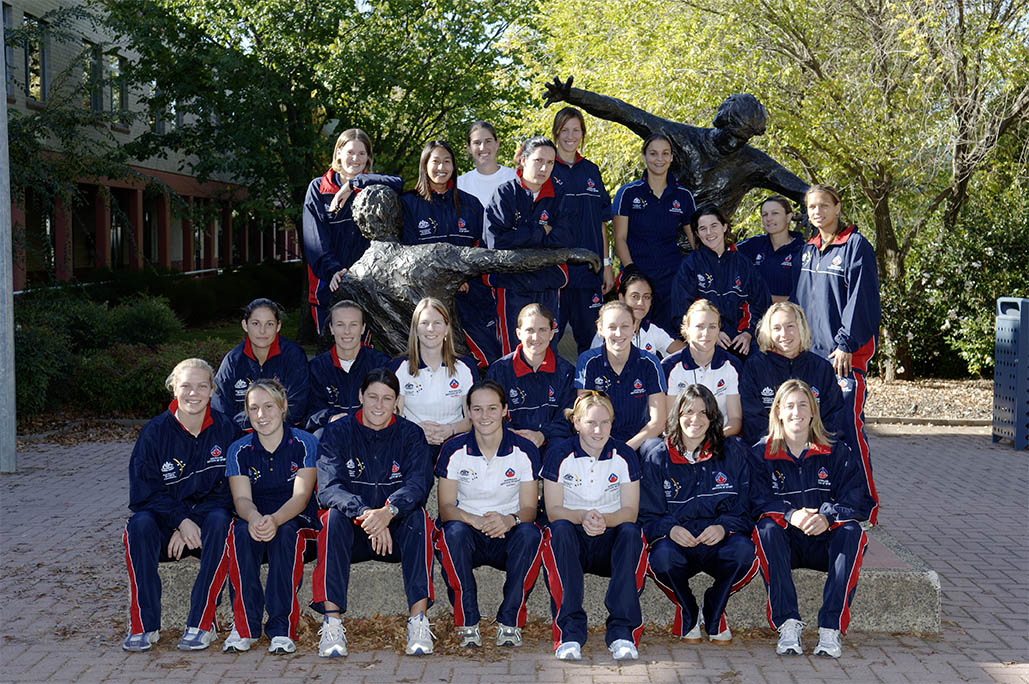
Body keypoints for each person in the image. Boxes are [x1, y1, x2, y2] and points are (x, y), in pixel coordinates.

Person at [542, 77, 810, 215]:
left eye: (743, 138)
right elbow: (623, 112)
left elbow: (804, 192)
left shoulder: (753, 163)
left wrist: (810, 211)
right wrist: (572, 95)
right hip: (666, 242)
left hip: (710, 250)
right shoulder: (684, 139)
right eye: (731, 134)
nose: (734, 143)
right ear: (720, 123)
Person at [311, 368, 435, 657]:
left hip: (395, 531)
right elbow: (329, 488)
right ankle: (332, 624)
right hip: (353, 532)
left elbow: (418, 484)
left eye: (387, 398)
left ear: (397, 402)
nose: (379, 405)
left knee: (419, 519)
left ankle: (418, 621)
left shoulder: (411, 434)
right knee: (332, 520)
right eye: (372, 397)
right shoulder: (337, 432)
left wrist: (389, 511)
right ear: (360, 396)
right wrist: (367, 513)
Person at [749, 379, 875, 658]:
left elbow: (858, 499)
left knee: (852, 531)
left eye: (803, 405)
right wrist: (791, 514)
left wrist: (827, 517)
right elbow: (755, 501)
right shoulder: (760, 453)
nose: (796, 412)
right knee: (765, 528)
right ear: (778, 411)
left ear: (813, 412)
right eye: (789, 406)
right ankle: (788, 623)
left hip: (824, 543)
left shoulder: (836, 450)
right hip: (786, 544)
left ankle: (830, 627)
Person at [122, 358, 241, 652]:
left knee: (221, 520)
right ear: (174, 389)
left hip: (205, 529)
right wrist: (179, 520)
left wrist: (192, 521)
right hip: (167, 528)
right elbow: (143, 493)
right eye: (186, 386)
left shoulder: (227, 430)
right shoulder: (154, 432)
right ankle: (144, 626)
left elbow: (231, 490)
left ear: (212, 390)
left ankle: (201, 624)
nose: (193, 393)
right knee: (139, 525)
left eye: (201, 386)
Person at [791, 184, 881, 525]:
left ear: (838, 206)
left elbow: (862, 301)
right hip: (811, 360)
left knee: (848, 431)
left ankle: (865, 505)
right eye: (812, 207)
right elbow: (801, 303)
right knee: (819, 434)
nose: (817, 212)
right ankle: (833, 501)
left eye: (823, 205)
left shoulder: (856, 246)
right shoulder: (808, 249)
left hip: (843, 359)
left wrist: (845, 343)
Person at [639, 385, 758, 642]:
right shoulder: (658, 457)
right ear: (677, 415)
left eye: (704, 412)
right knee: (660, 559)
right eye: (689, 412)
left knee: (745, 553)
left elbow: (745, 510)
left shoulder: (733, 452)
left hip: (718, 542)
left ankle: (714, 605)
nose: (696, 419)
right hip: (679, 543)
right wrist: (670, 529)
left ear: (713, 417)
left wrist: (723, 527)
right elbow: (647, 516)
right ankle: (688, 610)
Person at [434, 380, 544, 648]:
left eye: (492, 408)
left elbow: (530, 509)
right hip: (469, 531)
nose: (485, 416)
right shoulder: (453, 449)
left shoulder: (524, 450)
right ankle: (467, 622)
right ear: (468, 412)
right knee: (452, 533)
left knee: (531, 534)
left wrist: (509, 520)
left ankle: (510, 622)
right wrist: (474, 520)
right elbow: (446, 508)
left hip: (508, 531)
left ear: (505, 410)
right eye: (478, 409)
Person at [540, 393, 647, 661]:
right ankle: (569, 634)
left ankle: (622, 633)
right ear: (576, 423)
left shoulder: (624, 455)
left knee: (631, 532)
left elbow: (630, 511)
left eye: (605, 422)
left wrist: (604, 520)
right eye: (590, 423)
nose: (598, 430)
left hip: (609, 537)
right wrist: (583, 516)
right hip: (573, 536)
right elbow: (553, 510)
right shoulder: (559, 454)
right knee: (558, 530)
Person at [222, 380, 320, 654]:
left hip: (294, 520)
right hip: (255, 518)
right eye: (254, 408)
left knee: (287, 534)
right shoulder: (238, 449)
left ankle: (281, 628)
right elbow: (241, 499)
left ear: (283, 406)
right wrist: (254, 518)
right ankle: (244, 627)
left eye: (268, 406)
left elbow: (301, 497)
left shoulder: (305, 443)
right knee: (239, 533)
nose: (261, 415)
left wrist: (275, 520)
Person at [400, 140, 497, 369]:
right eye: (435, 161)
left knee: (486, 357)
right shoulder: (408, 203)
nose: (441, 167)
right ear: (425, 164)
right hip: (426, 298)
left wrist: (463, 277)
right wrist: (448, 280)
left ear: (454, 166)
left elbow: (483, 250)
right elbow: (409, 255)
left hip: (470, 295)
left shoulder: (470, 204)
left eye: (447, 162)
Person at [301, 128, 403, 333]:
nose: (355, 159)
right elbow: (315, 241)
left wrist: (352, 185)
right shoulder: (318, 189)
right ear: (339, 152)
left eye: (361, 153)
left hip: (365, 287)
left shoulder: (371, 188)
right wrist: (334, 271)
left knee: (362, 347)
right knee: (331, 347)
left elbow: (398, 183)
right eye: (350, 152)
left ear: (368, 157)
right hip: (328, 285)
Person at [485, 136, 573, 356]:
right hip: (511, 284)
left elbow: (564, 239)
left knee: (547, 349)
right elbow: (497, 242)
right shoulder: (505, 194)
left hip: (548, 282)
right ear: (524, 160)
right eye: (538, 160)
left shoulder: (559, 195)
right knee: (514, 352)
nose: (544, 168)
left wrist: (520, 236)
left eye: (550, 162)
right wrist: (541, 231)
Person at [611, 133, 697, 335]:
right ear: (644, 157)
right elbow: (619, 238)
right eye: (653, 153)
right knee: (634, 331)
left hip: (671, 276)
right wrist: (632, 271)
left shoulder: (683, 196)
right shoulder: (628, 193)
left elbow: (696, 239)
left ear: (672, 157)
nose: (660, 159)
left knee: (670, 334)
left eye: (665, 153)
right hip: (637, 273)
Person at [549, 107, 614, 353]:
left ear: (583, 134)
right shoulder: (546, 169)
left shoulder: (591, 171)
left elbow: (602, 224)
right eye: (564, 130)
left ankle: (588, 381)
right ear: (556, 132)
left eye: (576, 130)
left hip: (589, 273)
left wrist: (606, 265)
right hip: (556, 273)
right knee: (549, 342)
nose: (570, 136)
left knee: (592, 344)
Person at [672, 204, 771, 357]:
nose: (709, 233)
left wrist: (748, 333)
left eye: (714, 226)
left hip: (743, 342)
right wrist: (711, 333)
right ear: (697, 233)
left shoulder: (743, 264)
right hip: (705, 343)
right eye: (703, 229)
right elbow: (681, 313)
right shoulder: (690, 266)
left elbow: (761, 304)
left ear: (724, 227)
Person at [739, 302, 845, 446]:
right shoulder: (754, 367)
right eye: (776, 328)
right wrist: (782, 443)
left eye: (790, 326)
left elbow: (834, 416)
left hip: (813, 448)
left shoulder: (822, 368)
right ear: (768, 332)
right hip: (769, 448)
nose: (784, 334)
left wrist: (808, 443)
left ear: (801, 328)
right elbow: (752, 418)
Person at [390, 297, 476, 456]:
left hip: (455, 445)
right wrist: (416, 430)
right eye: (424, 323)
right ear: (415, 329)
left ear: (447, 328)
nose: (431, 329)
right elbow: (393, 416)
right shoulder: (400, 367)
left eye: (437, 323)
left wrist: (450, 429)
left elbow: (473, 417)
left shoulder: (465, 367)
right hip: (411, 443)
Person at [576, 301, 666, 450]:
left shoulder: (650, 362)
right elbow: (585, 415)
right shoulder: (588, 361)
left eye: (625, 326)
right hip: (599, 440)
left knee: (655, 448)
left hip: (639, 441)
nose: (618, 333)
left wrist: (626, 449)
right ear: (600, 329)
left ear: (634, 327)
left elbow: (658, 422)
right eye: (612, 327)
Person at [485, 303, 575, 448]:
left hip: (551, 444)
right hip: (510, 442)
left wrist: (543, 434)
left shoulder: (566, 371)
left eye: (542, 330)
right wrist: (511, 434)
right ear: (518, 333)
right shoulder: (499, 370)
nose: (535, 337)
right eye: (529, 330)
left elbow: (568, 417)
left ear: (552, 334)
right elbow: (489, 412)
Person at [212, 298, 310, 431]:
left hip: (284, 432)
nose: (262, 331)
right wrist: (242, 427)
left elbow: (297, 406)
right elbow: (220, 407)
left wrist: (263, 424)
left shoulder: (293, 356)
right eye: (255, 323)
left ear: (278, 326)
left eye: (269, 324)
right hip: (241, 434)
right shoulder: (233, 360)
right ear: (245, 325)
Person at [305, 300, 391, 436]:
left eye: (353, 325)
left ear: (363, 328)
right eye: (340, 325)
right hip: (334, 434)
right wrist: (331, 418)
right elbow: (310, 413)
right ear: (331, 328)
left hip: (372, 433)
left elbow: (390, 407)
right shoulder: (316, 367)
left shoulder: (381, 364)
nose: (347, 331)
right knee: (319, 434)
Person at [662, 300, 743, 437]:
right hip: (681, 439)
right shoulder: (669, 366)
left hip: (720, 438)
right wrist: (691, 442)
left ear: (719, 328)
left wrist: (712, 440)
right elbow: (670, 420)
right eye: (699, 326)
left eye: (712, 327)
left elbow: (735, 420)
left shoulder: (732, 365)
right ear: (687, 328)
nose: (706, 333)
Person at [590, 270, 684, 359]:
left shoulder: (651, 330)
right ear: (621, 298)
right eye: (635, 296)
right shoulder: (609, 331)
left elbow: (686, 352)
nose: (641, 303)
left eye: (646, 297)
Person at [457, 120, 519, 249]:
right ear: (468, 147)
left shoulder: (515, 178)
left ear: (497, 144)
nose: (482, 147)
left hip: (511, 252)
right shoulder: (460, 184)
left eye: (488, 141)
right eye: (477, 143)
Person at [737, 196, 806, 303]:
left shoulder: (803, 251)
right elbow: (722, 255)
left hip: (788, 312)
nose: (769, 218)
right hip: (755, 313)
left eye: (775, 213)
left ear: (788, 217)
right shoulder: (754, 245)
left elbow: (806, 298)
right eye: (765, 214)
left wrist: (766, 299)